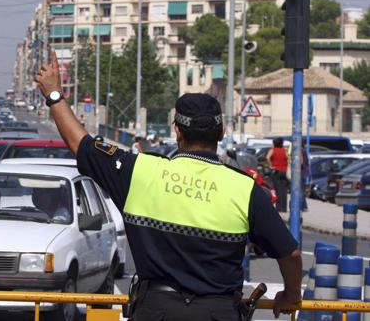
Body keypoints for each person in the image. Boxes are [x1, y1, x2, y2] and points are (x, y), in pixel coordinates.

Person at [35, 53, 302, 320]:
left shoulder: (139, 172)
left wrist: (55, 94)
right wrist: (291, 295)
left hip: (156, 311)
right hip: (218, 313)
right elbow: (289, 253)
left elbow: (80, 144)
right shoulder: (245, 189)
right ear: (221, 133)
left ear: (177, 130)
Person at [267, 138, 289, 212]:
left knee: (278, 189)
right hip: (284, 171)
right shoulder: (284, 150)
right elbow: (288, 158)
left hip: (276, 171)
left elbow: (267, 157)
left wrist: (271, 165)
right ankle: (284, 208)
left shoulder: (273, 150)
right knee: (284, 190)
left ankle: (279, 208)